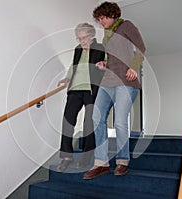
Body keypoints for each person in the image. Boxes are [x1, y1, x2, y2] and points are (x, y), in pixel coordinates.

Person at [83, 2, 146, 179]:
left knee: (119, 121)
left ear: (110, 14)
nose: (100, 22)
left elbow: (141, 47)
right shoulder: (106, 35)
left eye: (101, 18)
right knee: (96, 118)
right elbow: (111, 58)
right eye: (98, 19)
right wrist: (104, 63)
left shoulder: (127, 26)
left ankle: (122, 161)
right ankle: (101, 163)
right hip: (107, 80)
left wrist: (134, 67)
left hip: (126, 81)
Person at [57, 23, 106, 172]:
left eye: (85, 37)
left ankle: (86, 157)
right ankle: (66, 157)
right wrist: (67, 78)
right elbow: (74, 66)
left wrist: (104, 66)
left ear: (92, 36)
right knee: (67, 122)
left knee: (89, 124)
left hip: (91, 90)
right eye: (79, 39)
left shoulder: (100, 48)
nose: (82, 41)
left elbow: (107, 65)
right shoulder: (78, 49)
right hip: (75, 90)